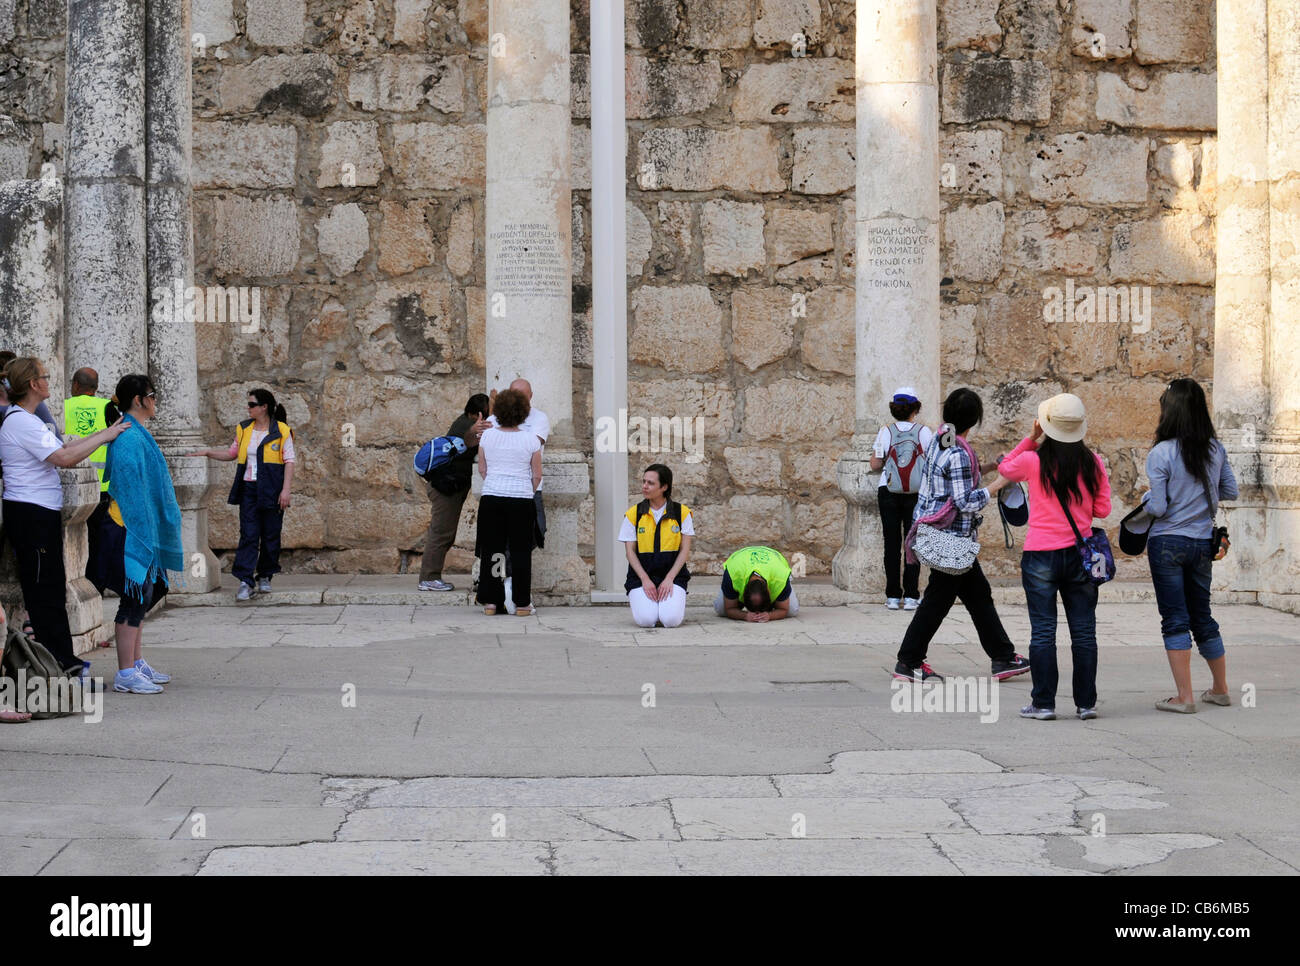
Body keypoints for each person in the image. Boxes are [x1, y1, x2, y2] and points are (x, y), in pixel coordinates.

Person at [0, 357, 128, 680]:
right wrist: (106, 437)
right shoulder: (20, 422)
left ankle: (62, 663)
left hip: (38, 513)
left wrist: (106, 432)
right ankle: (61, 666)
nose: (48, 381)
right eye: (44, 376)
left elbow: (63, 445)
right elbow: (64, 458)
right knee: (45, 593)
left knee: (52, 588)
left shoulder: (26, 419)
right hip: (30, 514)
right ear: (32, 384)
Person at [894, 388, 1030, 682]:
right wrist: (998, 483)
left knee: (978, 596)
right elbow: (964, 500)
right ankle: (908, 662)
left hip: (944, 535)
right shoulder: (958, 451)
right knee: (937, 602)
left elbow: (954, 479)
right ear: (975, 420)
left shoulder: (942, 438)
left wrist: (991, 466)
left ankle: (1003, 657)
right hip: (951, 539)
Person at [995, 394, 1112, 721]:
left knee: (1043, 631)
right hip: (1081, 555)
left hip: (1041, 556)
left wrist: (1030, 439)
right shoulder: (1094, 462)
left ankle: (1043, 703)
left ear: (1046, 425)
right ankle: (1085, 703)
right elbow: (1102, 510)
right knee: (1084, 632)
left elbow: (1005, 467)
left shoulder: (1033, 460)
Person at [1143, 378, 1239, 714]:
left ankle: (1184, 697)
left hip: (1167, 542)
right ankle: (1220, 688)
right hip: (1201, 543)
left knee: (1174, 618)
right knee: (1202, 615)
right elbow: (1230, 490)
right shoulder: (1215, 449)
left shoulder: (1161, 453)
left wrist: (1147, 498)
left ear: (1169, 411)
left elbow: (1157, 508)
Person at [93, 374, 184, 694]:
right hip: (126, 529)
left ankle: (136, 661)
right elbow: (130, 489)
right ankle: (125, 672)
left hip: (134, 528)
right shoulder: (129, 437)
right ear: (138, 400)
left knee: (143, 595)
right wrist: (144, 525)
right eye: (153, 395)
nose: (156, 400)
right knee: (133, 599)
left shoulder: (137, 432)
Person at [190, 388, 295, 601]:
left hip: (272, 489)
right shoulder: (244, 428)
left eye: (251, 405)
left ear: (263, 407)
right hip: (249, 488)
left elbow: (289, 461)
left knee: (271, 535)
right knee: (248, 534)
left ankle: (265, 575)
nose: (248, 408)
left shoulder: (282, 430)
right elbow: (233, 453)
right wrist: (209, 452)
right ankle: (246, 580)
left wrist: (286, 490)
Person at [476, 388, 542, 616]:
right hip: (521, 499)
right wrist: (526, 490)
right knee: (521, 551)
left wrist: (496, 482)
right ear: (524, 412)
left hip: (492, 497)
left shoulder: (487, 436)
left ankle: (492, 602)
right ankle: (522, 602)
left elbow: (482, 469)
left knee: (493, 550)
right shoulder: (530, 439)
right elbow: (536, 474)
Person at [419, 394, 491, 591]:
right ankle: (428, 578)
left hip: (449, 487)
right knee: (441, 533)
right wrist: (474, 431)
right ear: (478, 413)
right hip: (444, 489)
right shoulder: (465, 426)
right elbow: (465, 440)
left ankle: (430, 576)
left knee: (445, 533)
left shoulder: (466, 422)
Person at [871, 386, 933, 611]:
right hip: (917, 493)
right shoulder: (924, 432)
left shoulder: (885, 432)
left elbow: (876, 463)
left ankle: (892, 596)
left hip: (888, 491)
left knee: (891, 544)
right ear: (915, 408)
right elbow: (933, 462)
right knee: (912, 544)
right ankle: (912, 595)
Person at [622, 464, 693, 628]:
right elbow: (630, 552)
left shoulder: (682, 513)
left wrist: (669, 579)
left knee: (671, 620)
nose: (645, 486)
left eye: (651, 483)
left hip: (673, 577)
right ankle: (653, 606)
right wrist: (645, 579)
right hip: (641, 577)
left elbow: (684, 550)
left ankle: (665, 605)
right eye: (644, 481)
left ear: (664, 487)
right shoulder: (634, 514)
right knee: (646, 620)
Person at [64, 367, 111, 588]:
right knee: (98, 542)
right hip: (103, 487)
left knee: (71, 541)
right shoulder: (108, 408)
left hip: (72, 484)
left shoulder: (63, 406)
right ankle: (96, 587)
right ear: (96, 387)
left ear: (75, 385)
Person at [714, 545, 798, 622]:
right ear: (742, 593)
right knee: (721, 609)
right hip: (740, 558)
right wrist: (745, 616)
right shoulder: (733, 575)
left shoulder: (780, 577)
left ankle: (784, 591)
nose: (757, 612)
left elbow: (783, 609)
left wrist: (770, 615)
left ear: (770, 591)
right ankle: (730, 592)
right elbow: (729, 608)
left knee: (792, 610)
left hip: (774, 562)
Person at [0, 350, 60, 437]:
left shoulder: (26, 408)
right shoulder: (19, 414)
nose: (47, 383)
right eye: (44, 377)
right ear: (33, 384)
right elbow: (58, 444)